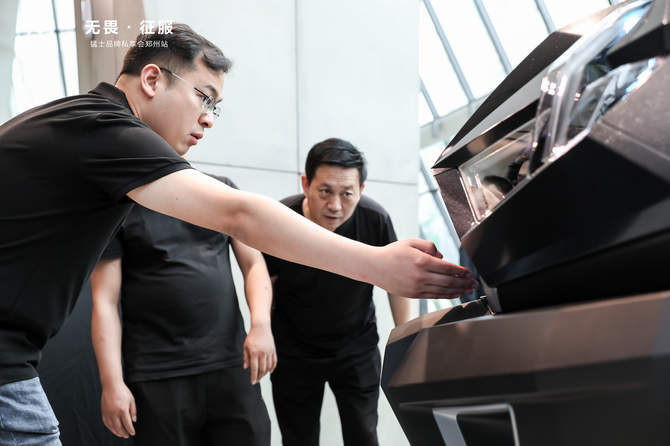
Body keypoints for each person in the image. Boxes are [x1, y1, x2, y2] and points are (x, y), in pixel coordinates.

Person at [0, 24, 476, 444]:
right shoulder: (103, 127)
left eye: (216, 107)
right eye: (204, 97)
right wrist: (377, 265)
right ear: (152, 79)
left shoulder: (84, 126)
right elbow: (239, 214)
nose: (209, 117)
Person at [90, 173, 274, 445]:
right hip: (157, 373)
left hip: (230, 362)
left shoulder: (219, 190)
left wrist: (261, 325)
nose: (205, 126)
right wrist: (111, 382)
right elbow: (104, 300)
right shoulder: (120, 205)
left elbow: (253, 264)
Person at [265, 138, 413, 446]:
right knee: (298, 438)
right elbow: (267, 283)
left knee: (364, 434)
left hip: (356, 347)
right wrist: (262, 330)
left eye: (347, 193)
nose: (335, 205)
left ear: (362, 189)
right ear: (306, 184)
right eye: (325, 192)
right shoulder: (280, 219)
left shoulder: (375, 219)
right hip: (294, 349)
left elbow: (396, 281)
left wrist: (406, 338)